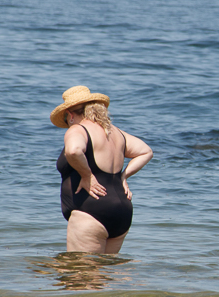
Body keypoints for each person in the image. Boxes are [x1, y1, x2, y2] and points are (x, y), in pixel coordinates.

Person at [50, 85, 153, 254]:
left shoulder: (78, 129)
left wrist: (87, 175)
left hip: (90, 212)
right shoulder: (116, 132)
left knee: (81, 277)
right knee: (103, 276)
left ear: (70, 114)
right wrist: (123, 177)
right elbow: (146, 151)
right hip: (122, 212)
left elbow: (73, 150)